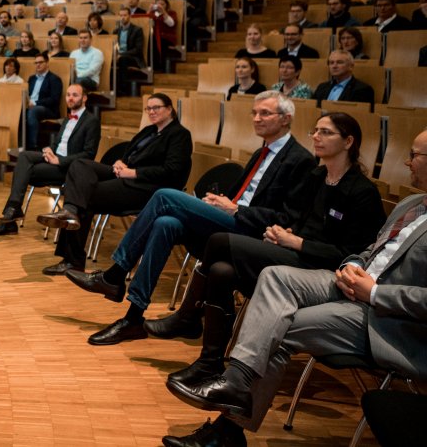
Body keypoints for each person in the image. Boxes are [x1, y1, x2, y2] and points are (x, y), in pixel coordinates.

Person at [164, 128, 427, 447]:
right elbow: (371, 249)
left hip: (387, 318)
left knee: (278, 326)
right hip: (352, 283)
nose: (407, 162)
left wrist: (373, 292)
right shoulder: (411, 203)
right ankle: (235, 383)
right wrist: (352, 265)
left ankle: (228, 430)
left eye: (414, 155)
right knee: (274, 276)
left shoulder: (365, 191)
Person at [62, 91, 316, 345]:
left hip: (253, 233)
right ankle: (133, 317)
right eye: (254, 113)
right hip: (231, 218)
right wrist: (219, 202)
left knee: (164, 196)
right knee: (165, 224)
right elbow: (242, 195)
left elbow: (287, 218)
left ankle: (115, 275)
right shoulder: (262, 151)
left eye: (265, 113)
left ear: (286, 118)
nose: (257, 118)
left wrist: (236, 209)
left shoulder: (300, 160)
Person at [153, 112, 384, 390]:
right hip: (293, 254)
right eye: (315, 130)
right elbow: (296, 220)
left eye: (326, 132)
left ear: (348, 141)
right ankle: (209, 363)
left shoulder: (362, 191)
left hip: (319, 270)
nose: (316, 137)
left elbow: (350, 255)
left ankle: (188, 316)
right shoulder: (317, 176)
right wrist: (281, 233)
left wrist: (297, 242)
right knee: (221, 271)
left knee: (219, 241)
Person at [37, 93, 192, 277]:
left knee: (85, 196)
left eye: (156, 107)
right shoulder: (149, 130)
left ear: (169, 109)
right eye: (148, 108)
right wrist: (120, 161)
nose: (151, 111)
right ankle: (70, 211)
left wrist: (133, 172)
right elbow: (129, 154)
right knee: (79, 165)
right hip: (126, 175)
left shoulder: (180, 135)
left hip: (147, 188)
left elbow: (172, 172)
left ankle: (72, 260)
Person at [0, 85, 101, 236]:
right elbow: (58, 144)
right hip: (54, 158)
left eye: (75, 95)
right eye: (68, 95)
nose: (70, 98)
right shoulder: (67, 118)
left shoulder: (92, 121)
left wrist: (60, 161)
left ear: (84, 98)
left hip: (67, 167)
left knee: (23, 171)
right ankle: (13, 210)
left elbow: (89, 154)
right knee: (24, 156)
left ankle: (11, 216)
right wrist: (49, 150)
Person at [24, 53, 63, 151]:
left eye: (40, 62)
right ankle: (20, 144)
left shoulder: (54, 79)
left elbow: (54, 99)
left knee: (34, 110)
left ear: (47, 63)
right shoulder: (31, 79)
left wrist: (35, 103)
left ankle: (33, 146)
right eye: (36, 63)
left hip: (48, 110)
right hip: (30, 106)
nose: (38, 65)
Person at [114, 8, 146, 81]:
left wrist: (121, 54)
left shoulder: (137, 30)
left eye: (125, 15)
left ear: (130, 16)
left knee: (122, 59)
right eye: (121, 15)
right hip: (118, 56)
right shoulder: (116, 31)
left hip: (133, 57)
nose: (122, 17)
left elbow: (138, 49)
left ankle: (123, 86)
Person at [148, 0, 178, 71]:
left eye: (162, 4)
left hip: (167, 37)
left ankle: (160, 67)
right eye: (158, 4)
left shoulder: (171, 13)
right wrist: (149, 10)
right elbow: (146, 23)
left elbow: (171, 24)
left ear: (166, 5)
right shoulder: (154, 13)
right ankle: (151, 66)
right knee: (149, 42)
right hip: (155, 36)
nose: (160, 6)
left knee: (159, 43)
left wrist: (163, 12)